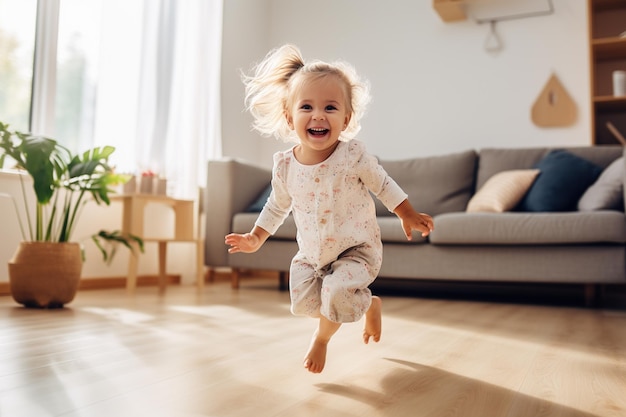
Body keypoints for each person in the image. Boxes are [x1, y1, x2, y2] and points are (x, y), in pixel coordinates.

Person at [225, 44, 434, 374]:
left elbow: (382, 183)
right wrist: (255, 237)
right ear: (289, 116)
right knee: (306, 303)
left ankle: (321, 340)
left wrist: (405, 211)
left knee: (336, 293)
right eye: (306, 106)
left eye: (330, 107)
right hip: (312, 254)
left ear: (346, 118)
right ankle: (368, 303)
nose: (318, 115)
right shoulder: (285, 167)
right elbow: (276, 206)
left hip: (356, 249)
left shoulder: (353, 157)